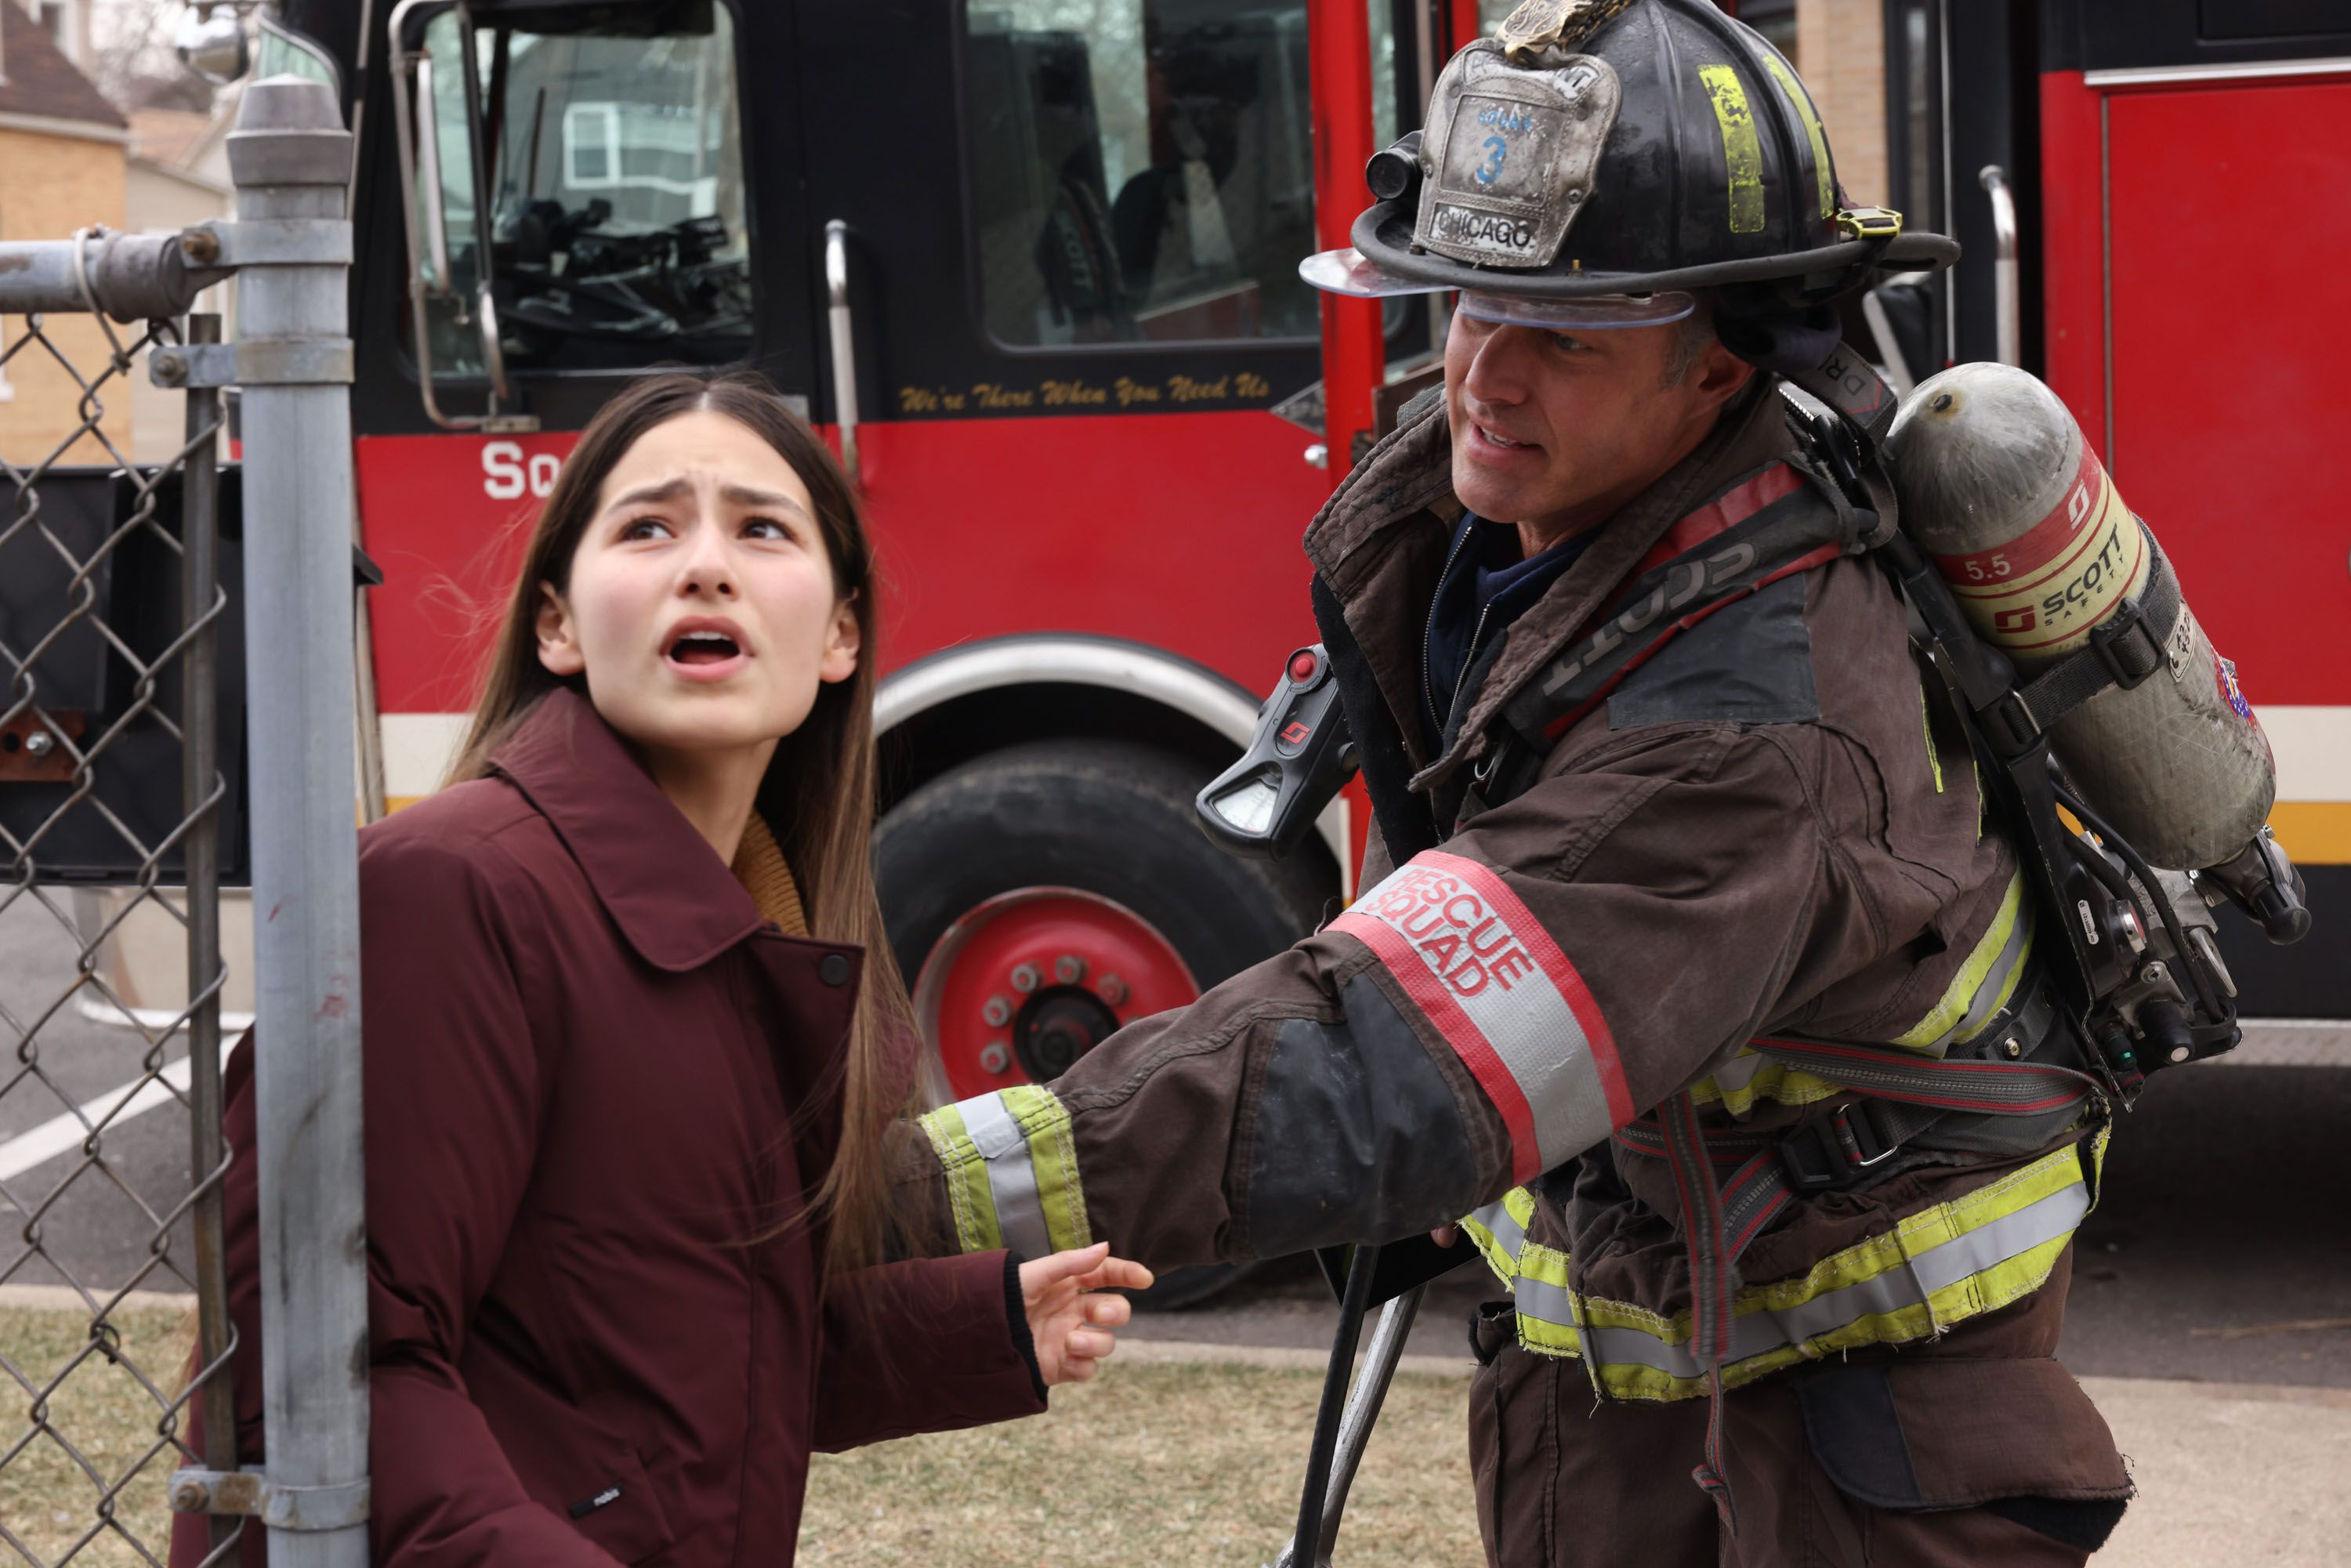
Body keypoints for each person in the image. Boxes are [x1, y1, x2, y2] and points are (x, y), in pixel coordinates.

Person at [904, 3, 2136, 1563]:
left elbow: (1386, 1053)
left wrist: (912, 1197)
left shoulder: (1749, 731)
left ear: (1720, 365)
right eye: (1469, 303)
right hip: (1641, 1366)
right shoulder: (1544, 525)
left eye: (1569, 331)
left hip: (1839, 1440)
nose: (1482, 370)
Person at [172, 371, 1150, 1568]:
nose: (705, 564)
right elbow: (327, 1384)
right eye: (647, 526)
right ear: (559, 626)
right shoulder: (447, 891)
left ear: (841, 633)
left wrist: (981, 1321)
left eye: (761, 527)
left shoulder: (765, 933)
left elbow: (678, 1352)